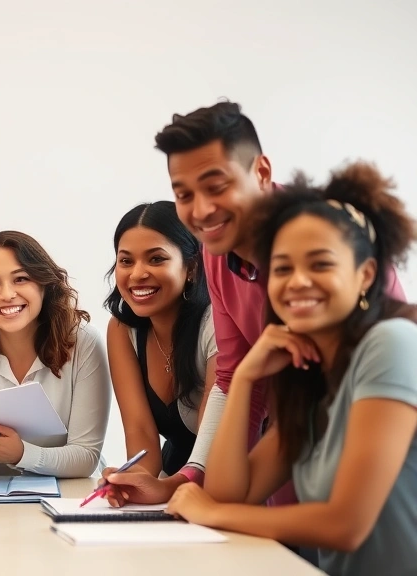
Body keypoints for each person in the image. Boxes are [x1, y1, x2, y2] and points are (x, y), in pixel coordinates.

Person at [103, 101, 405, 507]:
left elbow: (389, 356)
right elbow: (234, 375)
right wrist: (191, 484)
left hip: (380, 458)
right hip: (289, 451)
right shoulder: (215, 251)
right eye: (184, 194)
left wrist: (216, 508)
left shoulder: (327, 239)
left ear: (261, 173)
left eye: (217, 186)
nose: (202, 209)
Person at [167, 161, 417, 576]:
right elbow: (235, 493)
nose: (298, 281)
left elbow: (346, 525)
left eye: (320, 264)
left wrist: (212, 513)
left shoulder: (391, 343)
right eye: (282, 268)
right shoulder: (315, 379)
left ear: (365, 275)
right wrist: (247, 375)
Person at [0, 231, 111, 478]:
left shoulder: (83, 341)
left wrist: (21, 454)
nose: (6, 294)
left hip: (71, 498)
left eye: (21, 279)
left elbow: (85, 457)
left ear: (44, 285)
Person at [103, 201, 216, 480]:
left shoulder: (216, 324)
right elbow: (141, 434)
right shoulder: (121, 330)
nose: (138, 274)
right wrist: (130, 480)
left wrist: (164, 488)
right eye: (126, 260)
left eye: (156, 259)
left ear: (191, 267)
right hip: (174, 477)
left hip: (234, 477)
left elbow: (216, 446)